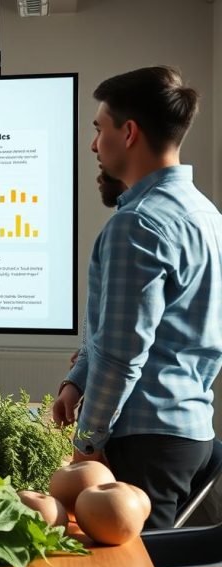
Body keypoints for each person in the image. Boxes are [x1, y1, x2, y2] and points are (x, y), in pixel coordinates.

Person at [52, 66, 218, 529]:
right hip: (189, 431)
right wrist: (78, 379)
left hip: (142, 439)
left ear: (128, 133)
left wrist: (87, 443)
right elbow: (126, 327)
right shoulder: (206, 215)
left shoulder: (138, 224)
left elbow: (123, 352)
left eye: (98, 129)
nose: (93, 144)